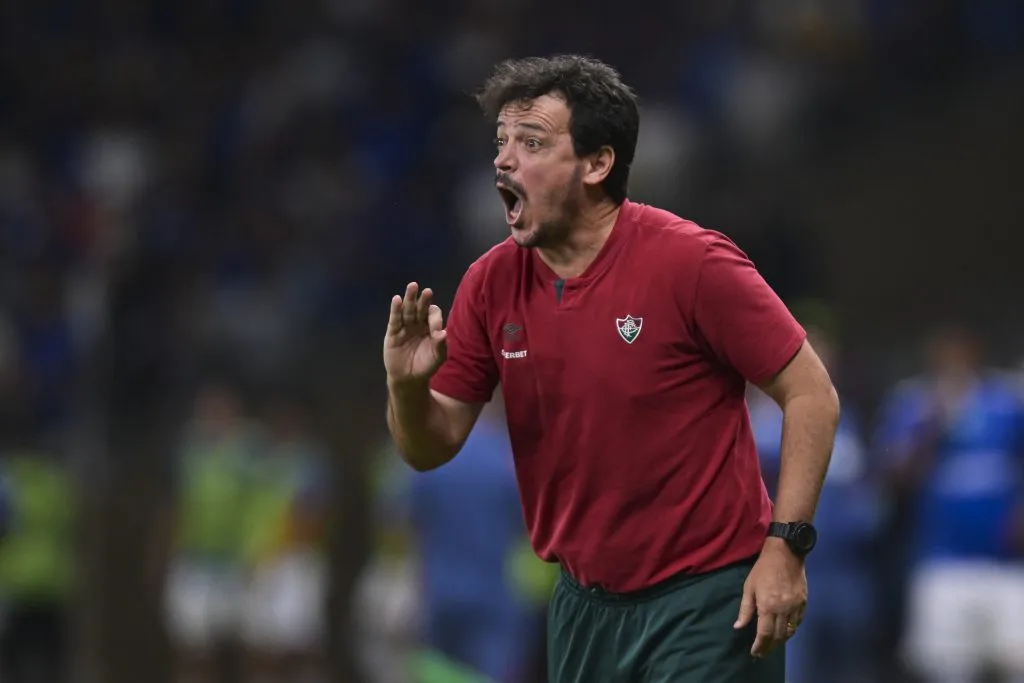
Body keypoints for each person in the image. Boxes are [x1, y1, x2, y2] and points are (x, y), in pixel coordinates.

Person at [382, 55, 840, 683]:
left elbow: (812, 394)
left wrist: (786, 547)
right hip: (583, 609)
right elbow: (429, 447)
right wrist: (408, 387)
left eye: (531, 142)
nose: (504, 161)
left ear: (597, 164)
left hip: (707, 599)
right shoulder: (489, 284)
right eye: (501, 143)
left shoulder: (691, 262)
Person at [877, 325, 1024, 683]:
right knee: (945, 669)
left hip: (1005, 563)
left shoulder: (1006, 401)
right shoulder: (914, 403)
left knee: (1015, 664)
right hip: (941, 562)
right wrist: (931, 425)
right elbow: (892, 477)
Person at [749, 325, 883, 683]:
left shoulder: (846, 420)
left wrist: (868, 518)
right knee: (795, 670)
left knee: (853, 669)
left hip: (850, 570)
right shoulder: (759, 421)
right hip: (794, 567)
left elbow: (866, 489)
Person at [408, 391, 532, 683]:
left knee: (438, 674)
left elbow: (409, 518)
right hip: (494, 593)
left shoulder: (434, 456)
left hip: (439, 590)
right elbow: (529, 527)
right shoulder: (508, 460)